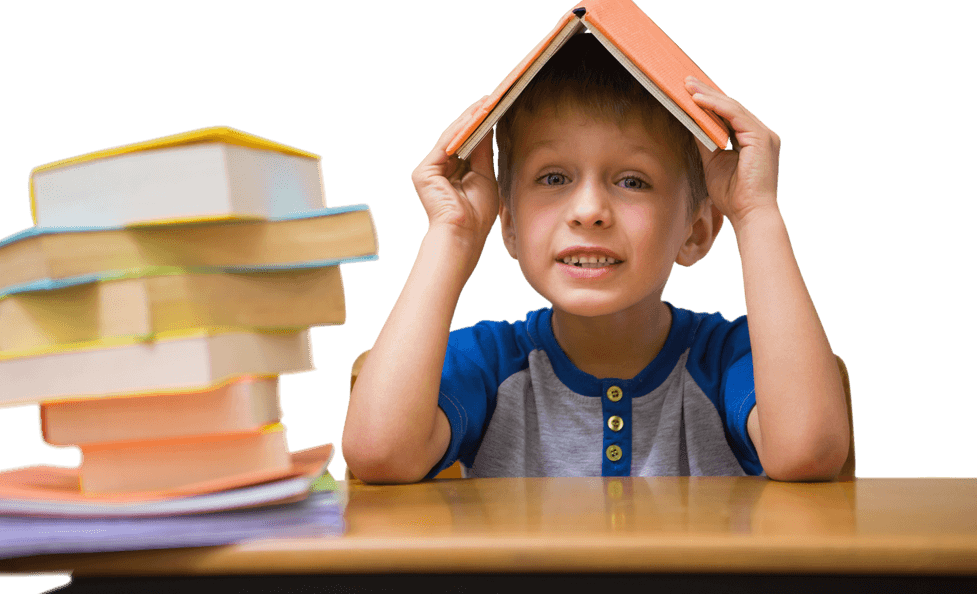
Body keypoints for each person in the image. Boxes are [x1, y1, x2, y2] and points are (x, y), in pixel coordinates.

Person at [341, 34, 850, 483]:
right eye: (554, 178)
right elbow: (379, 455)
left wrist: (756, 212)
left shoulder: (730, 360)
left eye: (632, 181)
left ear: (696, 231)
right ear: (510, 225)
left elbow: (807, 451)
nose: (589, 212)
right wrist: (450, 234)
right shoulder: (490, 363)